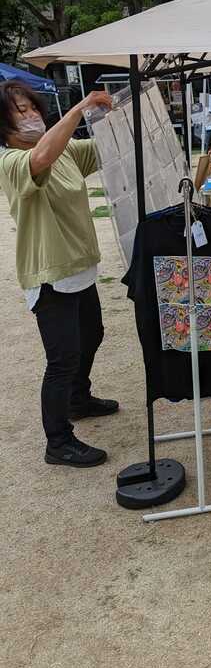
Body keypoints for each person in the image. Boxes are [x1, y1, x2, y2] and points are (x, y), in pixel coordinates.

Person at [0, 81, 117, 468]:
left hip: (79, 264)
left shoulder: (63, 151)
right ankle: (58, 441)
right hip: (49, 273)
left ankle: (78, 399)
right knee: (62, 358)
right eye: (20, 110)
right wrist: (81, 108)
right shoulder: (11, 161)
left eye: (33, 107)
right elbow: (41, 158)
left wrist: (118, 116)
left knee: (93, 334)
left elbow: (104, 150)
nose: (31, 115)